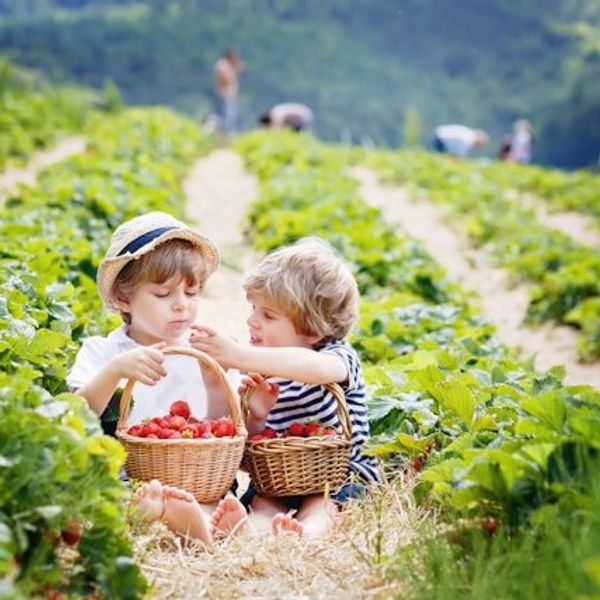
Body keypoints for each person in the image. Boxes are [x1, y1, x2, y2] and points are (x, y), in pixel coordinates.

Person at [134, 237, 380, 540]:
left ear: (313, 329)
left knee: (323, 501)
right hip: (279, 478)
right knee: (264, 500)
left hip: (337, 472)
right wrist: (258, 416)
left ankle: (307, 533)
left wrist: (237, 355)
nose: (252, 321)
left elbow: (317, 370)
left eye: (268, 315)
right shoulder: (261, 373)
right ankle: (248, 531)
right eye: (253, 309)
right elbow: (250, 449)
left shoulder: (338, 356)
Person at [214, 48, 244, 137]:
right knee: (227, 116)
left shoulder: (229, 65)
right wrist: (234, 69)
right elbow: (227, 79)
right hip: (224, 94)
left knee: (230, 116)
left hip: (230, 94)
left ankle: (228, 135)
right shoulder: (223, 65)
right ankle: (225, 135)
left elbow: (241, 71)